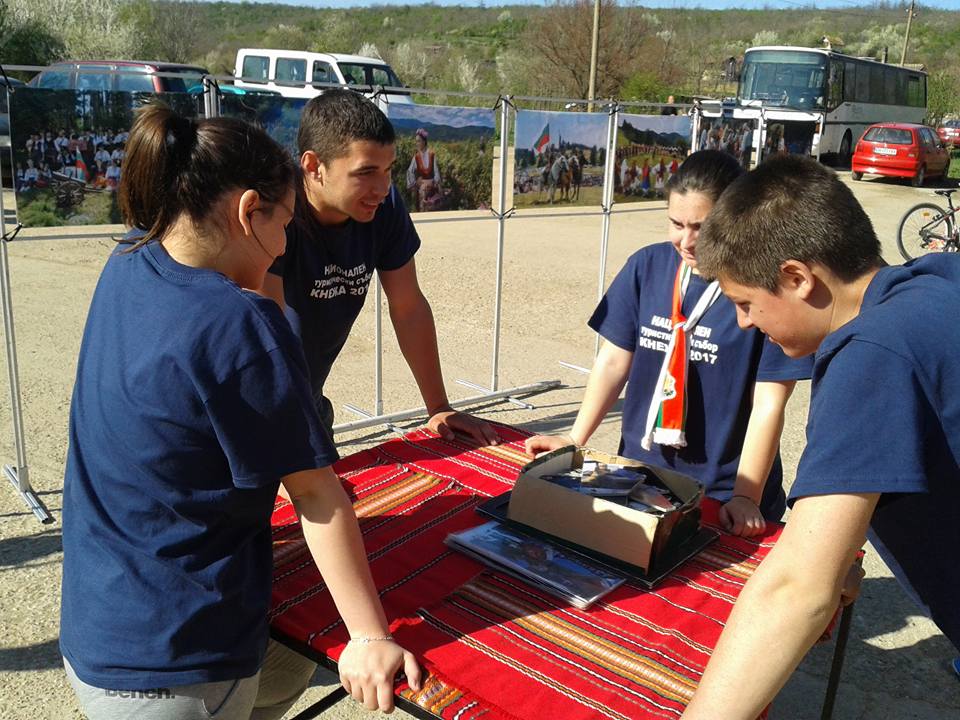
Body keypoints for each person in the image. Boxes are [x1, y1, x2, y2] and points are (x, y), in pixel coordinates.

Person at [60, 103, 422, 720]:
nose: (283, 247)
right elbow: (316, 494)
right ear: (249, 211)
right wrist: (369, 636)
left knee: (288, 671)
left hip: (100, 621)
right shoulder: (239, 321)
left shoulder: (129, 258)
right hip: (180, 660)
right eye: (284, 225)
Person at [681, 154, 960, 718]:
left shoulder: (870, 353)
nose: (744, 323)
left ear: (796, 278)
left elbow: (797, 590)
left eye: (744, 303)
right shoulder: (939, 278)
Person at [525, 151, 811, 537]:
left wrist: (746, 495)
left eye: (701, 227)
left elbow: (769, 403)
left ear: (735, 218)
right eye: (676, 224)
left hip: (724, 492)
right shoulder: (647, 267)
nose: (686, 241)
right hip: (640, 475)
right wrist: (576, 437)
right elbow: (613, 361)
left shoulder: (765, 287)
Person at [260, 89, 498, 446]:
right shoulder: (273, 210)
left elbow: (408, 307)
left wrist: (439, 408)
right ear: (313, 166)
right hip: (257, 410)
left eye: (388, 170)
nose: (383, 188)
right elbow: (263, 333)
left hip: (308, 402)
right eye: (366, 172)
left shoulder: (384, 206)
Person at [405, 127, 443, 212]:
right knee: (423, 197)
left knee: (434, 205)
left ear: (424, 142)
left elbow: (436, 171)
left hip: (432, 184)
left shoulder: (431, 154)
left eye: (419, 141)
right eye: (416, 141)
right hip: (422, 186)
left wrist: (435, 182)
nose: (417, 144)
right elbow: (410, 171)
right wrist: (414, 183)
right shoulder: (416, 157)